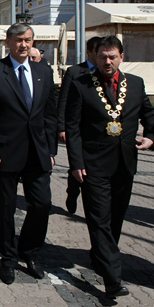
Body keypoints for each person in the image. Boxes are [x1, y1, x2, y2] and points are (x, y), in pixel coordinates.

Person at [65, 35, 154, 298]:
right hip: (93, 165)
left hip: (124, 164)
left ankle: (101, 257)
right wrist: (76, 162)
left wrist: (151, 136)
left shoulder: (136, 84)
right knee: (99, 220)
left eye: (112, 56)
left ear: (121, 57)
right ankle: (112, 279)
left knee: (115, 219)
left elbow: (150, 113)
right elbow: (72, 126)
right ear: (96, 57)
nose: (107, 61)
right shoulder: (81, 85)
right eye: (103, 57)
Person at [0, 23, 57, 285]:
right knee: (4, 208)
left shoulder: (43, 70)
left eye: (29, 40)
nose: (25, 45)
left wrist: (51, 149)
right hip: (4, 150)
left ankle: (29, 251)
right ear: (8, 43)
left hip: (37, 151)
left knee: (42, 203)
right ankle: (8, 258)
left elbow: (49, 114)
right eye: (20, 40)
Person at [57, 36, 101, 214]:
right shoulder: (75, 72)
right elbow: (63, 100)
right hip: (77, 128)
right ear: (90, 52)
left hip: (97, 131)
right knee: (77, 164)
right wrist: (61, 127)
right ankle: (73, 192)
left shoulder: (106, 71)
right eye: (98, 51)